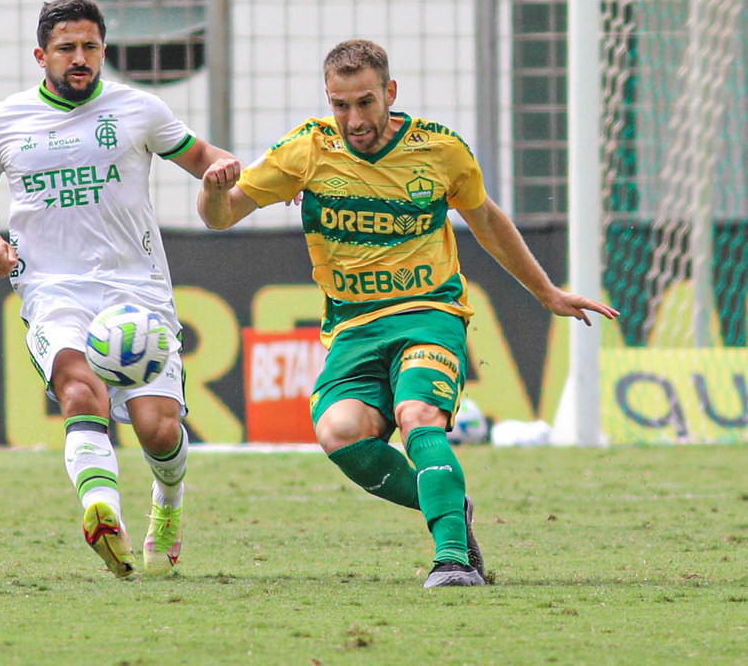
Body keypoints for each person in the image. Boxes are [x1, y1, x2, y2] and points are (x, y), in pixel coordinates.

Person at [198, 39, 619, 587]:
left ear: (390, 93)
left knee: (417, 414)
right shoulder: (307, 149)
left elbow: (488, 221)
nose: (354, 119)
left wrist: (546, 293)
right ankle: (448, 504)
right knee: (339, 432)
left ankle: (453, 560)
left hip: (429, 313)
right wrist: (213, 189)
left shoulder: (440, 149)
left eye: (365, 102)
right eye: (340, 105)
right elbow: (221, 217)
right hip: (353, 326)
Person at [0, 0, 239, 578]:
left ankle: (167, 505)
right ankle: (102, 511)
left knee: (158, 428)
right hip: (53, 289)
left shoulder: (138, 109)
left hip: (138, 291)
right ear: (41, 56)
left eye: (90, 47)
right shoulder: (1, 121)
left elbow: (204, 158)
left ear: (104, 51)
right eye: (66, 48)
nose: (79, 58)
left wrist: (226, 170)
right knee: (78, 388)